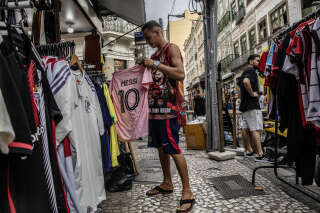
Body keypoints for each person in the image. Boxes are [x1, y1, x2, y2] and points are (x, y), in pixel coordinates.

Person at [142, 20, 195, 213]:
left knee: (172, 148)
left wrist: (156, 64)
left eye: (149, 37)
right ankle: (167, 183)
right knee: (160, 147)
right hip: (155, 110)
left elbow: (180, 73)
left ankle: (187, 191)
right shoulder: (155, 55)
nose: (148, 42)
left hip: (169, 110)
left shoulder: (171, 49)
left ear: (157, 32)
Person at [238, 54, 268, 162]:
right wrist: (252, 94)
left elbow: (240, 85)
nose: (259, 63)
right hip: (252, 105)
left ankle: (250, 151)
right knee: (256, 129)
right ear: (251, 61)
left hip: (245, 106)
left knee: (245, 129)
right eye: (257, 60)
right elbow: (246, 82)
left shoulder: (244, 72)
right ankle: (260, 154)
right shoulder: (250, 70)